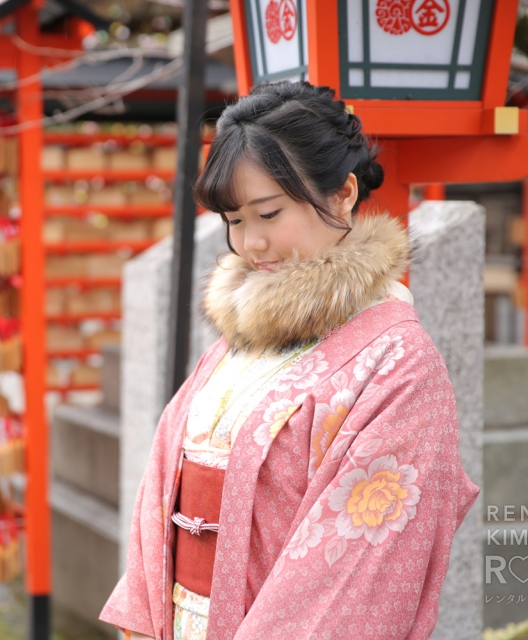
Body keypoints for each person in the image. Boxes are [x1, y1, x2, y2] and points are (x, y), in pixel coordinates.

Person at [99, 81, 480, 640]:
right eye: (234, 220)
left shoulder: (400, 366)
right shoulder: (240, 339)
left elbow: (353, 575)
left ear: (344, 193)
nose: (250, 243)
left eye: (269, 213)